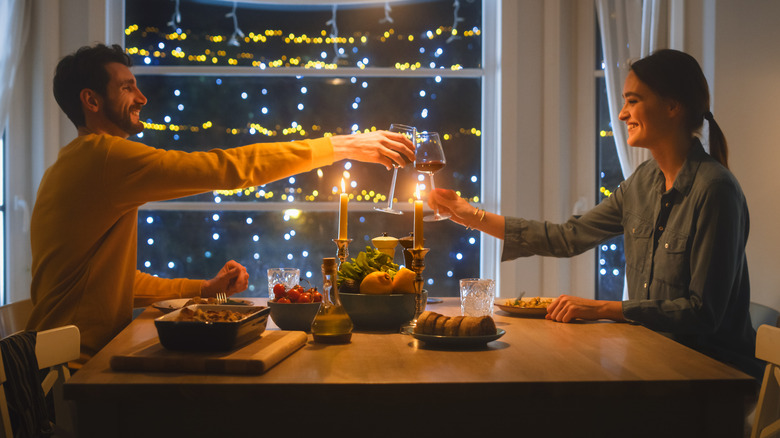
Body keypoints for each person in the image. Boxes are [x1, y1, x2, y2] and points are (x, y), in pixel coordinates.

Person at [26, 43, 415, 366]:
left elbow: (110, 284)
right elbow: (226, 169)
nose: (141, 97)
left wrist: (205, 289)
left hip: (67, 360)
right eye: (127, 88)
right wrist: (340, 146)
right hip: (69, 372)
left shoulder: (77, 163)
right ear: (91, 100)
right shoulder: (105, 157)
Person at [429, 49, 764, 381]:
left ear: (672, 106)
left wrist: (604, 309)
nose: (622, 114)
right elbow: (566, 237)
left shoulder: (715, 190)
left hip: (713, 377)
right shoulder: (644, 181)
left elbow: (702, 314)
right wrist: (469, 214)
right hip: (654, 360)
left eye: (633, 101)